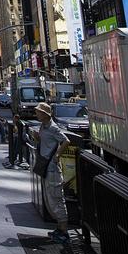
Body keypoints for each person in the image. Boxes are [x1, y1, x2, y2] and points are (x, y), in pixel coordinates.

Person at [34, 102, 70, 245]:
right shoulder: (43, 127)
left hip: (52, 169)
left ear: (45, 114)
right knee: (50, 198)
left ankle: (64, 231)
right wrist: (37, 137)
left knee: (56, 198)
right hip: (46, 168)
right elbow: (45, 143)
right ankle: (59, 229)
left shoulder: (53, 127)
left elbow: (66, 141)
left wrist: (57, 156)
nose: (36, 113)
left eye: (38, 111)